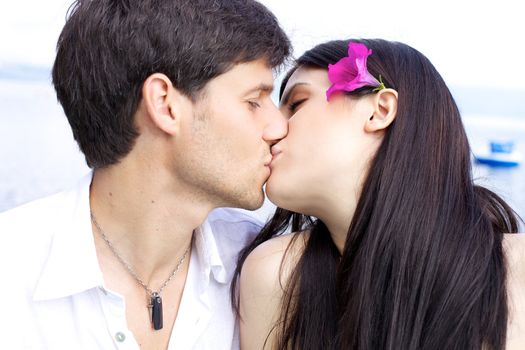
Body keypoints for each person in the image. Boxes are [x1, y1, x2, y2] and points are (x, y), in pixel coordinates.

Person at [0, 0, 291, 348]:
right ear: (165, 104)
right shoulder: (11, 273)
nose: (279, 127)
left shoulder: (265, 269)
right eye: (254, 101)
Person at [235, 39, 525, 349]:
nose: (276, 127)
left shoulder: (516, 269)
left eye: (297, 102)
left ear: (379, 110)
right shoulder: (275, 277)